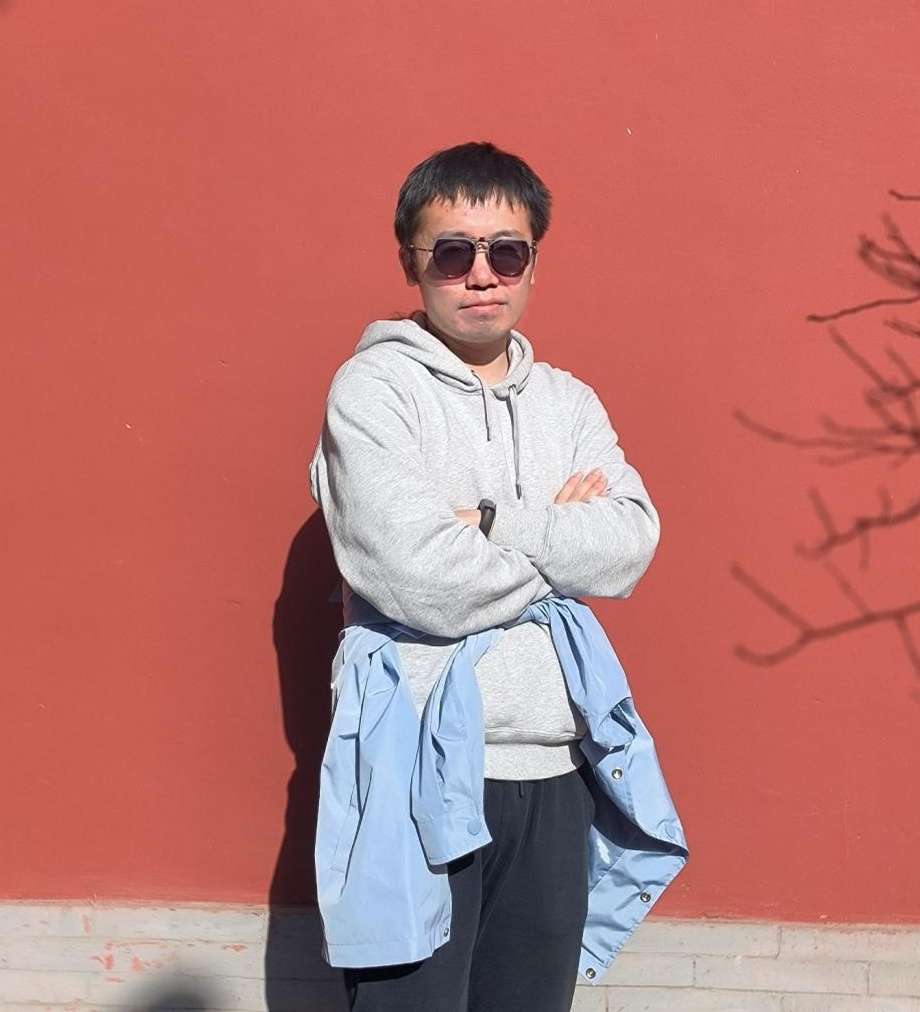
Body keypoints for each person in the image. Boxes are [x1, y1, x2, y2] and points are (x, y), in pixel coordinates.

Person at [310, 141, 686, 1012]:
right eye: (452, 253)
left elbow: (630, 544)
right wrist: (561, 545)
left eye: (505, 252)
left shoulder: (568, 401)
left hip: (554, 768)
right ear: (412, 262)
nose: (481, 275)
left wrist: (488, 522)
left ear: (532, 263)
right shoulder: (372, 392)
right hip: (412, 758)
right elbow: (419, 580)